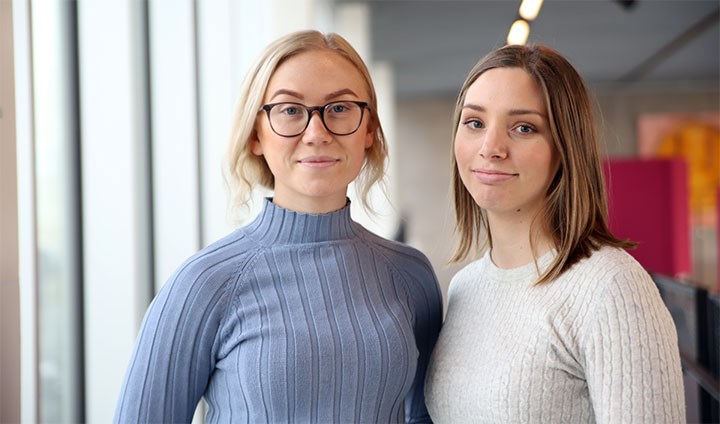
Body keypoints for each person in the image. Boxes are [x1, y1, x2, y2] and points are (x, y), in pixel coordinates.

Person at [115, 30, 443, 424]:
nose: (316, 133)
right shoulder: (204, 282)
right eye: (290, 110)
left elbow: (424, 416)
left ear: (369, 130)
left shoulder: (410, 275)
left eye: (339, 108)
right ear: (256, 134)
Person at [424, 44, 685, 423]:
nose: (490, 148)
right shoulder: (467, 286)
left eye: (523, 128)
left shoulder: (612, 287)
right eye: (475, 123)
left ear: (565, 147)